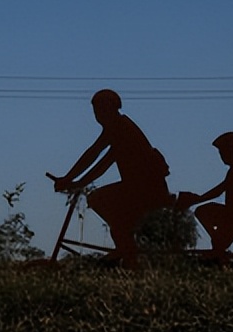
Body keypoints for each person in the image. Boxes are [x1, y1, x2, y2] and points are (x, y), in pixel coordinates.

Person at [50, 89, 171, 267]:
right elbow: (95, 155)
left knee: (100, 200)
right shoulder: (117, 128)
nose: (97, 115)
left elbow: (100, 162)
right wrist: (70, 179)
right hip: (140, 187)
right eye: (96, 111)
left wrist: (75, 182)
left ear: (110, 109)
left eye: (100, 110)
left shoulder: (121, 128)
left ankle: (127, 250)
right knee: (118, 225)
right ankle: (127, 253)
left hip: (146, 189)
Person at [175, 132, 233, 262]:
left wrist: (196, 200)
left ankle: (218, 243)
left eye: (222, 152)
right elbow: (221, 189)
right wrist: (197, 199)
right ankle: (218, 243)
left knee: (203, 212)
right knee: (207, 216)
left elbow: (219, 191)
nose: (221, 156)